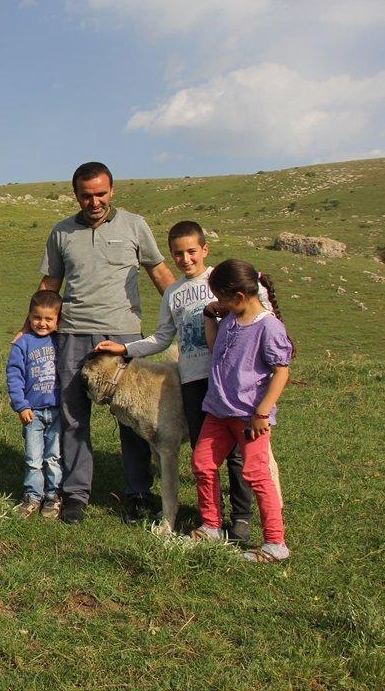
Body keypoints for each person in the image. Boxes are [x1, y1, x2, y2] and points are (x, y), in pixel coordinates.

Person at [94, 221, 265, 543]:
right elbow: (162, 338)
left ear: (204, 250)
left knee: (238, 454)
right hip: (192, 380)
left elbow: (257, 313)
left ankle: (241, 518)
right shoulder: (173, 292)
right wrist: (125, 349)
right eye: (177, 254)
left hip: (232, 379)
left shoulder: (223, 281)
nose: (185, 259)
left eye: (191, 252)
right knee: (205, 451)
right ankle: (209, 517)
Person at [34, 162, 175, 524]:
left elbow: (159, 271)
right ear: (76, 194)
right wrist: (28, 329)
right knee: (72, 414)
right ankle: (76, 494)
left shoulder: (134, 225)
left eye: (101, 194)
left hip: (123, 335)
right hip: (73, 333)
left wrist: (185, 310)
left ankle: (139, 493)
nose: (94, 201)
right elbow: (51, 284)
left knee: (132, 418)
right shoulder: (62, 232)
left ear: (112, 191)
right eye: (86, 195)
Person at [189, 259, 293, 562]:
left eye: (220, 298)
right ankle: (211, 526)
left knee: (257, 474)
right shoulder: (231, 321)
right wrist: (211, 317)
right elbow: (214, 349)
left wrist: (262, 412)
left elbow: (281, 372)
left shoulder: (268, 327)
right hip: (218, 410)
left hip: (249, 416)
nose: (217, 303)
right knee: (203, 464)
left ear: (238, 297)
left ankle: (275, 544)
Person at [6, 290, 63, 519]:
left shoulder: (62, 342)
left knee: (54, 456)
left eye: (48, 319)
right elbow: (14, 375)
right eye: (37, 317)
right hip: (33, 412)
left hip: (57, 410)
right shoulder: (22, 345)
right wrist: (21, 405)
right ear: (29, 317)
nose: (42, 323)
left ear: (58, 319)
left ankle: (53, 496)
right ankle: (32, 496)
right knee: (33, 457)